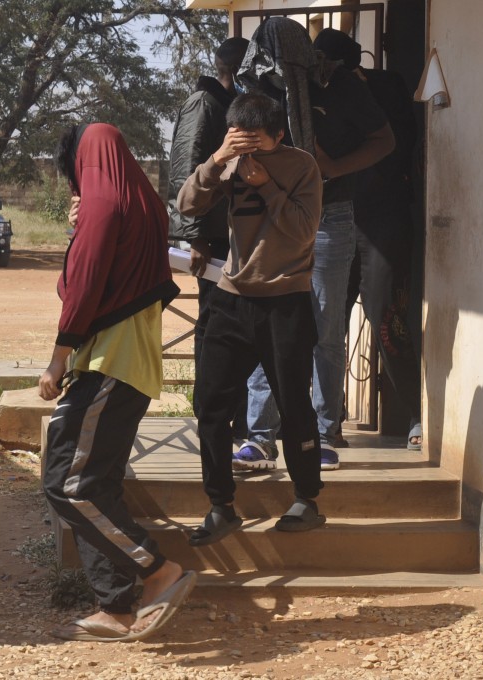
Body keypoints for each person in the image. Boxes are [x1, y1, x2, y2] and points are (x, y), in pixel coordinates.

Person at [41, 123, 195, 643]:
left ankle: (157, 570)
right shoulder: (140, 201)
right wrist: (76, 228)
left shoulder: (104, 204)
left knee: (65, 481)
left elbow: (80, 287)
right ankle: (115, 606)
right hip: (129, 362)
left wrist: (56, 361)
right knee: (94, 483)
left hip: (109, 360)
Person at [237, 17, 394, 471]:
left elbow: (385, 140)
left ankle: (325, 432)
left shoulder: (337, 84)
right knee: (270, 322)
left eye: (279, 58)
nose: (272, 66)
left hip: (330, 215)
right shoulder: (259, 86)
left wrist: (335, 168)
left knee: (325, 330)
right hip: (274, 216)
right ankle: (262, 436)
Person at [177, 92, 325, 541]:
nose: (247, 147)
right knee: (210, 403)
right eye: (239, 137)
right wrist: (218, 159)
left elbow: (302, 231)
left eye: (255, 139)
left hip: (285, 300)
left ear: (278, 135)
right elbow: (186, 205)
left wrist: (265, 185)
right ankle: (221, 505)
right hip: (230, 296)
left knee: (294, 403)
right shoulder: (229, 159)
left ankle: (306, 499)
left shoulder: (302, 167)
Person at [313, 28, 423, 450]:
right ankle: (328, 420)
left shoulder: (384, 88)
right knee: (326, 324)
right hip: (336, 218)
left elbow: (397, 146)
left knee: (386, 320)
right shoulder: (316, 93)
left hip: (383, 220)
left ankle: (414, 415)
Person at [166, 37, 250, 437]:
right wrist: (195, 236)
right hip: (212, 240)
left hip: (231, 237)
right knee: (214, 327)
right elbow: (187, 166)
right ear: (236, 70)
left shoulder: (228, 104)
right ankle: (211, 415)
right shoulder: (205, 102)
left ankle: (231, 416)